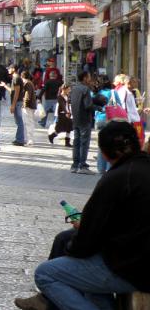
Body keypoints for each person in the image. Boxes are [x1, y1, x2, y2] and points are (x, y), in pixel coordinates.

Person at [17, 121, 150, 310]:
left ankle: (49, 301)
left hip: (133, 269)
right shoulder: (140, 169)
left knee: (46, 273)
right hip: (135, 256)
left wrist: (74, 245)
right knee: (67, 244)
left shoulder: (116, 179)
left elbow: (86, 242)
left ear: (104, 153)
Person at [70, 71, 97, 175]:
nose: (90, 79)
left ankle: (75, 165)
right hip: (85, 119)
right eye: (89, 77)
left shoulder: (74, 88)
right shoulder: (86, 89)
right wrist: (99, 107)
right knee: (84, 143)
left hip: (76, 119)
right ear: (85, 78)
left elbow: (71, 101)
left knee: (76, 143)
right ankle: (83, 165)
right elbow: (88, 105)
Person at [0, 64, 26, 146]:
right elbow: (13, 91)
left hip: (17, 102)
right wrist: (5, 86)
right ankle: (19, 138)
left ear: (13, 69)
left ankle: (20, 139)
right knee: (18, 121)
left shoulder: (16, 78)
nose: (8, 70)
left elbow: (16, 93)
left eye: (9, 68)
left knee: (19, 121)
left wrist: (13, 105)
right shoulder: (14, 78)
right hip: (17, 102)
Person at [22, 71, 38, 146]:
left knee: (28, 122)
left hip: (28, 106)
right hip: (31, 105)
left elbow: (27, 95)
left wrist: (25, 104)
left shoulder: (27, 83)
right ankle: (30, 139)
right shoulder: (30, 83)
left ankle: (30, 139)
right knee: (30, 122)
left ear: (22, 77)